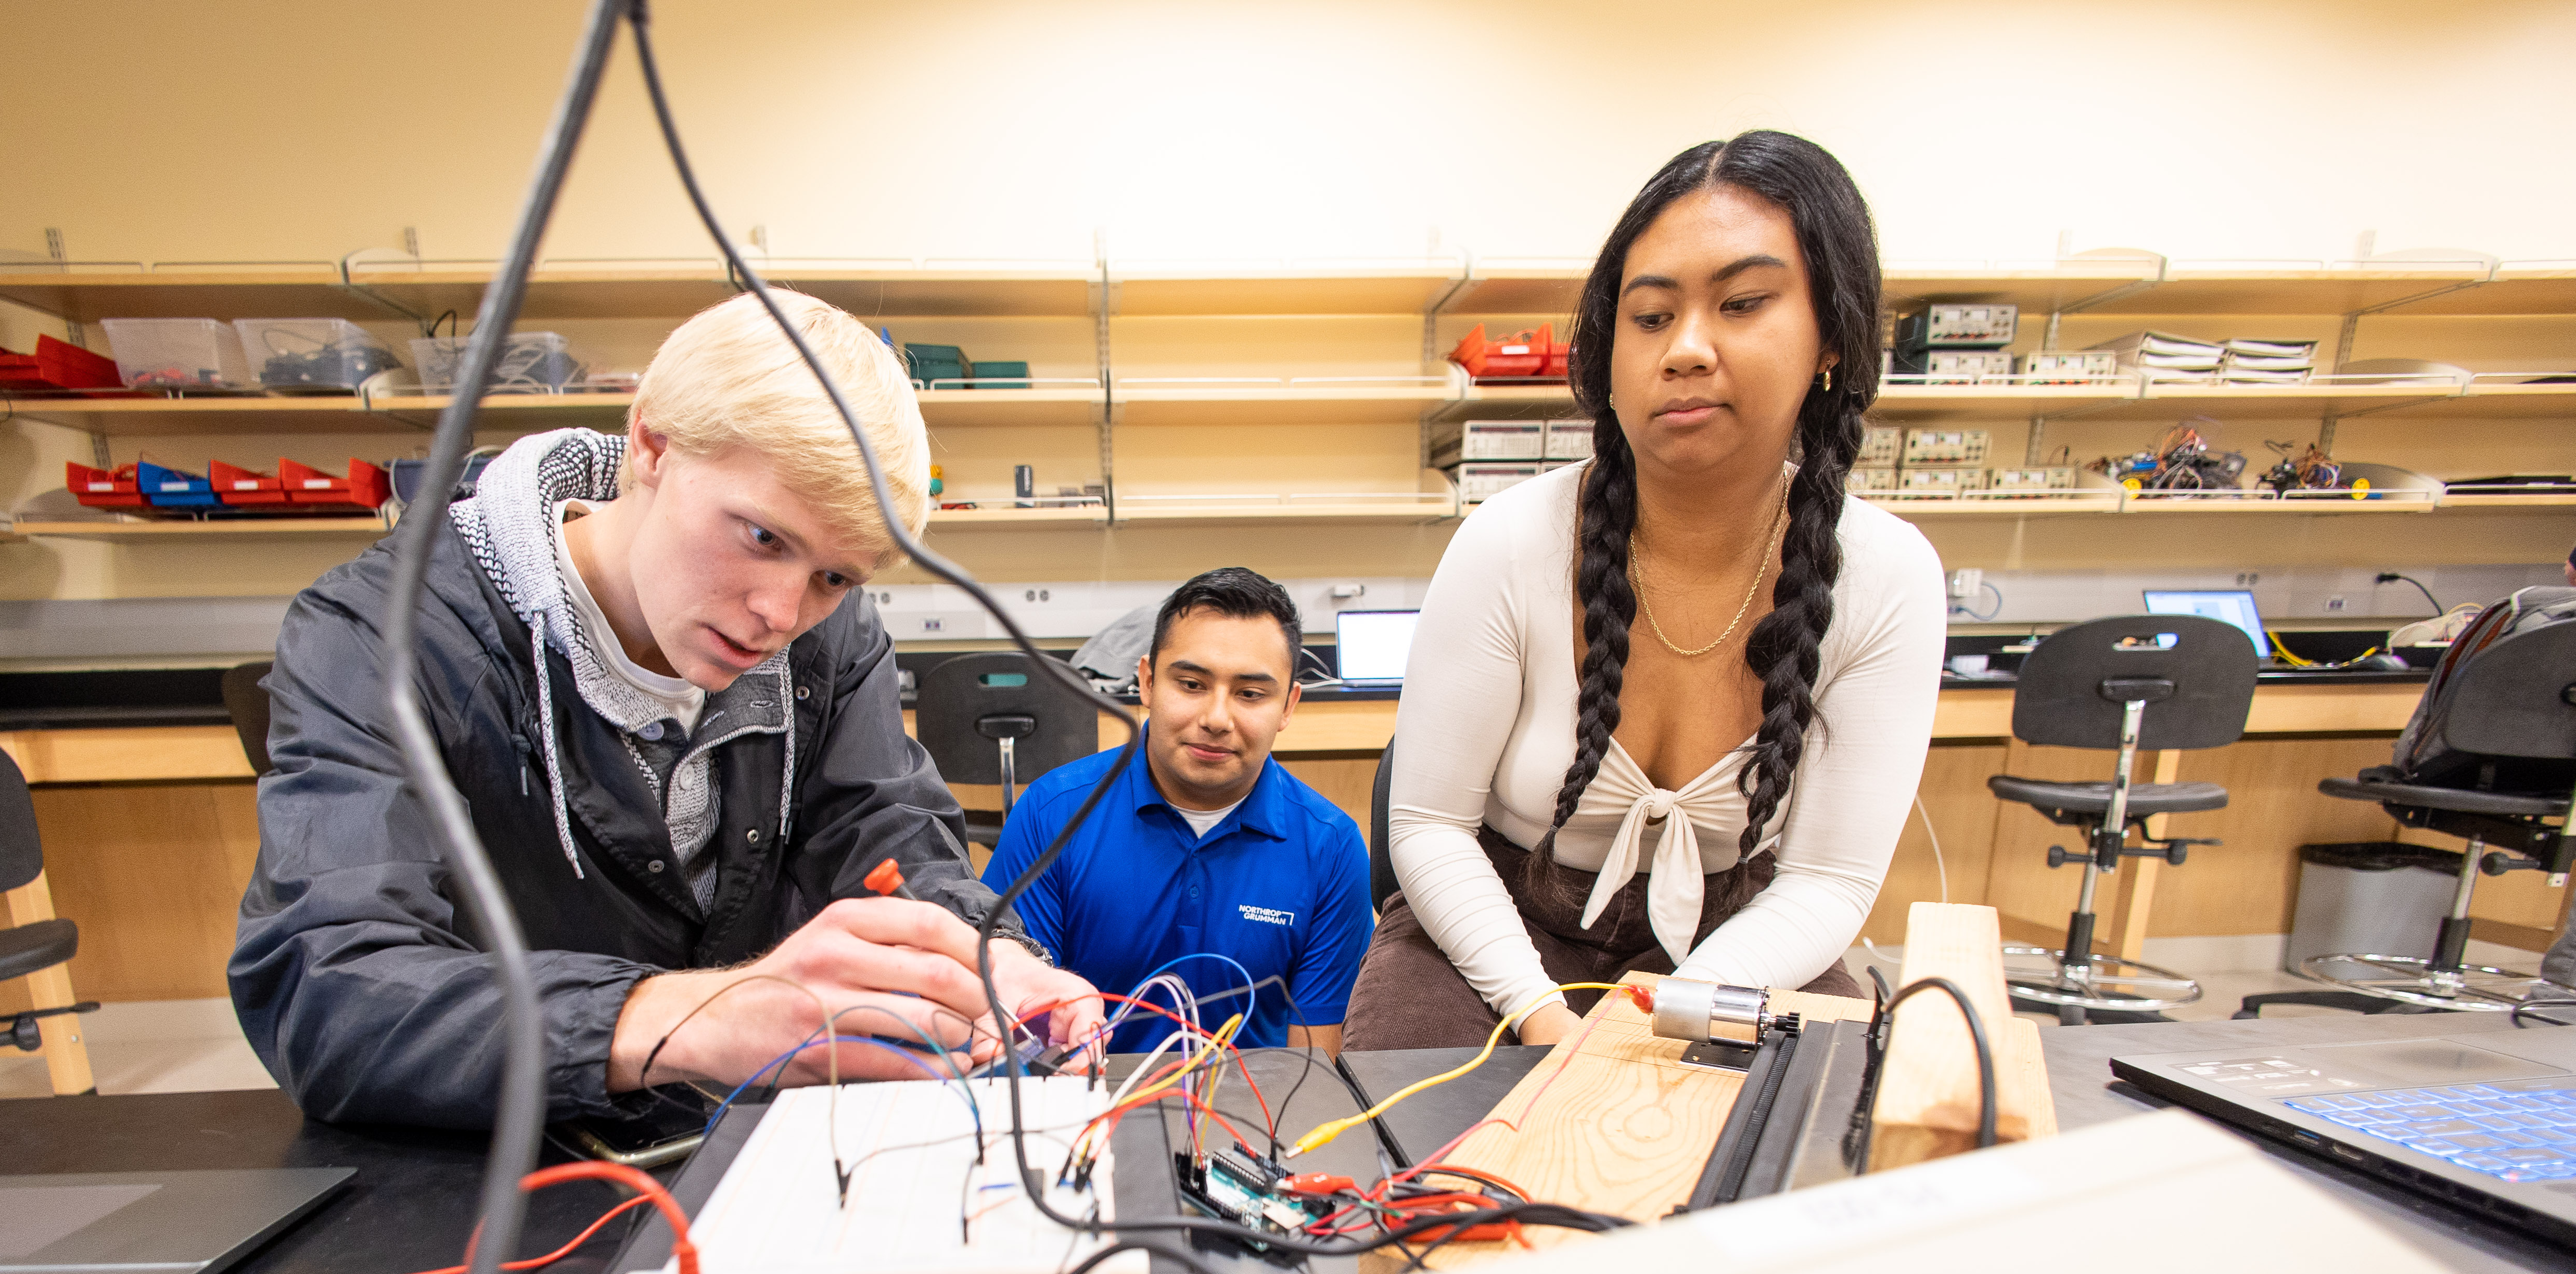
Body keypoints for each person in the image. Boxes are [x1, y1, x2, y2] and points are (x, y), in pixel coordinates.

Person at [229, 292, 1102, 1129]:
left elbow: (887, 836)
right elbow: (326, 989)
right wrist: (707, 1014)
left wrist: (986, 961)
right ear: (650, 443)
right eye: (763, 537)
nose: (782, 613)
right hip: (503, 1157)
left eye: (835, 577)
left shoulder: (824, 640)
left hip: (748, 1137)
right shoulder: (384, 637)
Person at [1345, 130, 1944, 1051]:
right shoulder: (1508, 543)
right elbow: (1428, 827)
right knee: (1436, 1161)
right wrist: (1544, 1015)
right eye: (1651, 316)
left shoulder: (1887, 577)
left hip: (1746, 946)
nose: (1686, 350)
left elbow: (1826, 882)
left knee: (1799, 1154)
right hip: (1495, 939)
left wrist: (1661, 1016)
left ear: (1831, 335)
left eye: (1742, 303)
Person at [984, 568, 1372, 1055]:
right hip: (1087, 1105)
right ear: (1147, 682)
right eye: (1191, 684)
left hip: (1254, 1119)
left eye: (1251, 694)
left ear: (1289, 706)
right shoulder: (1053, 816)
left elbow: (1316, 1065)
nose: (1215, 719)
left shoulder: (1332, 848)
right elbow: (1026, 1033)